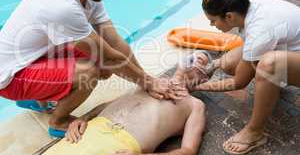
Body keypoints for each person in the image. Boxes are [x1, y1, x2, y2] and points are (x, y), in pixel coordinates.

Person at [0, 0, 185, 137]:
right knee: (89, 71)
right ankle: (58, 122)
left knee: (103, 64)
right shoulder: (61, 5)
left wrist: (147, 80)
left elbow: (115, 42)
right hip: (10, 78)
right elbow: (109, 57)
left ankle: (37, 98)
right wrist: (148, 83)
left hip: (31, 58)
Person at [193, 0, 300, 154]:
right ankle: (273, 85)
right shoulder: (252, 10)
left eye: (213, 21)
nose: (212, 26)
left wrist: (196, 86)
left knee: (268, 65)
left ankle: (255, 132)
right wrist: (211, 67)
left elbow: (239, 83)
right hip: (292, 51)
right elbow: (248, 51)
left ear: (229, 16)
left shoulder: (260, 29)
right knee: (228, 62)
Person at [40, 52, 208, 155]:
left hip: (120, 147)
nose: (195, 60)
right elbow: (112, 103)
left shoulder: (194, 106)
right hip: (87, 133)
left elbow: (188, 151)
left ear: (204, 78)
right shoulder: (151, 82)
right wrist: (84, 118)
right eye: (194, 56)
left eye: (202, 61)